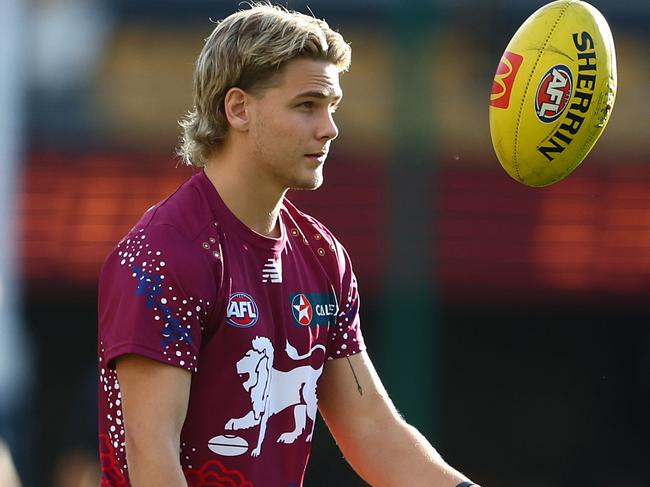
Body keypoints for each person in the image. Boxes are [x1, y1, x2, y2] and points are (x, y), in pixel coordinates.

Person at [97, 3, 481, 486]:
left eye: (331, 107)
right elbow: (151, 456)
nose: (329, 128)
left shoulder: (323, 258)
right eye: (307, 105)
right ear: (238, 109)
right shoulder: (162, 254)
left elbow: (373, 432)